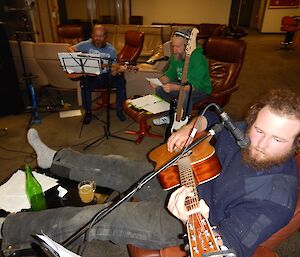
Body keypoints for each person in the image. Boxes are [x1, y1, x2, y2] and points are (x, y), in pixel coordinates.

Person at [1, 89, 299, 257]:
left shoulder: (275, 199)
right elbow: (212, 116)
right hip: (188, 175)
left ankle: (9, 229)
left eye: (277, 140)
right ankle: (53, 158)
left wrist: (190, 217)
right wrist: (190, 128)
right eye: (259, 130)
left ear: (296, 144)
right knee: (118, 164)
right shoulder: (247, 130)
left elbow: (228, 245)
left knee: (99, 216)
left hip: (187, 218)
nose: (259, 143)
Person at [150, 29, 212, 126]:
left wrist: (174, 87)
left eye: (178, 46)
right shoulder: (177, 56)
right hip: (182, 85)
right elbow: (170, 75)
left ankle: (184, 121)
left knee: (185, 93)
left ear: (187, 45)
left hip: (200, 90)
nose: (174, 50)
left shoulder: (197, 58)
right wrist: (158, 81)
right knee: (160, 89)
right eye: (173, 46)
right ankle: (169, 116)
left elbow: (193, 86)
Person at [67, 24, 127, 124]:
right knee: (84, 83)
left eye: (101, 36)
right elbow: (70, 48)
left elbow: (113, 70)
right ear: (92, 35)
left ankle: (119, 109)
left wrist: (117, 71)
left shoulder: (111, 50)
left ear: (105, 37)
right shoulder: (87, 44)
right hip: (92, 76)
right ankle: (88, 112)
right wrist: (77, 56)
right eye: (95, 35)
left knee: (121, 81)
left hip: (106, 76)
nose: (98, 38)